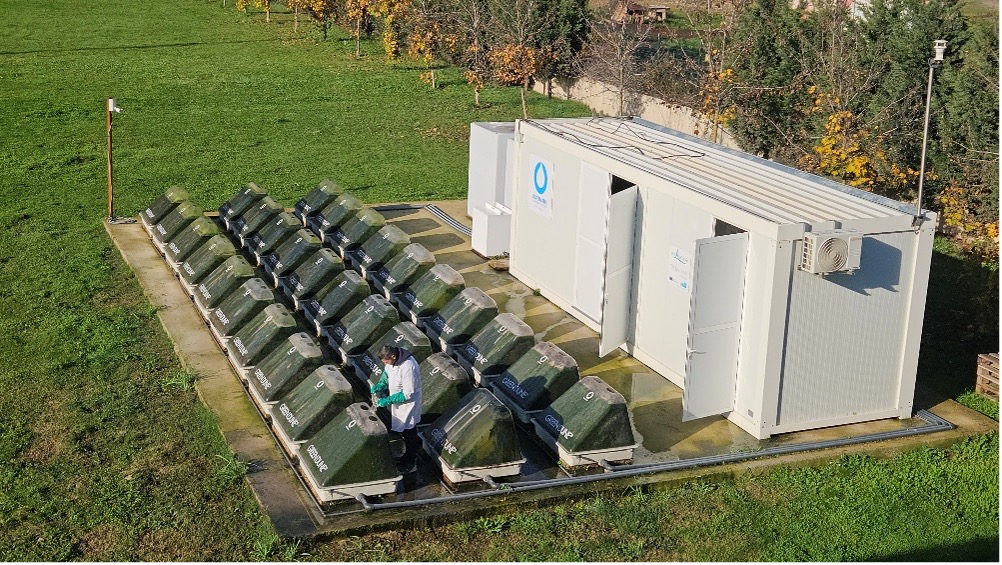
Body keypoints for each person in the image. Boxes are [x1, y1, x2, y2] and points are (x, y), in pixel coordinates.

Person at [370, 344, 422, 474]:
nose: (385, 363)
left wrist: (388, 400)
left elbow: (407, 394)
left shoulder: (408, 366)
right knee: (402, 429)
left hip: (408, 404)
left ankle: (411, 462)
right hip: (397, 401)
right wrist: (381, 384)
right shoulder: (392, 361)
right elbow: (387, 373)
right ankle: (405, 457)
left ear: (393, 356)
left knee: (409, 432)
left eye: (386, 360)